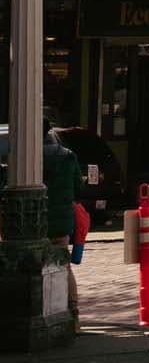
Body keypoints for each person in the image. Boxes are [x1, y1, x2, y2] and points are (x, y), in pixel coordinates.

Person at [42, 130, 82, 311]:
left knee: (35, 267)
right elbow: (79, 187)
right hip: (62, 222)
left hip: (37, 220)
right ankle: (72, 311)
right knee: (64, 265)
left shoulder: (29, 154)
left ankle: (47, 309)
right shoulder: (68, 156)